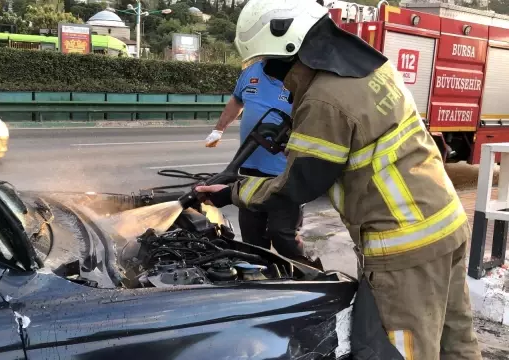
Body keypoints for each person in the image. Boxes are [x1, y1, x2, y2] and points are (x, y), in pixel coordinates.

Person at [195, 0, 482, 359]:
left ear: (288, 49)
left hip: (404, 246)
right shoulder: (371, 68)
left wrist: (231, 192)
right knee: (456, 343)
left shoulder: (323, 100)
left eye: (269, 62)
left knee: (401, 351)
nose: (271, 73)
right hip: (444, 225)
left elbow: (296, 187)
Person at [204, 59, 305, 259]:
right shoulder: (252, 72)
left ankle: (308, 275)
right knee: (252, 237)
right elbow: (236, 100)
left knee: (283, 235)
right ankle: (260, 278)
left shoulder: (302, 75)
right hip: (249, 169)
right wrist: (219, 129)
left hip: (285, 173)